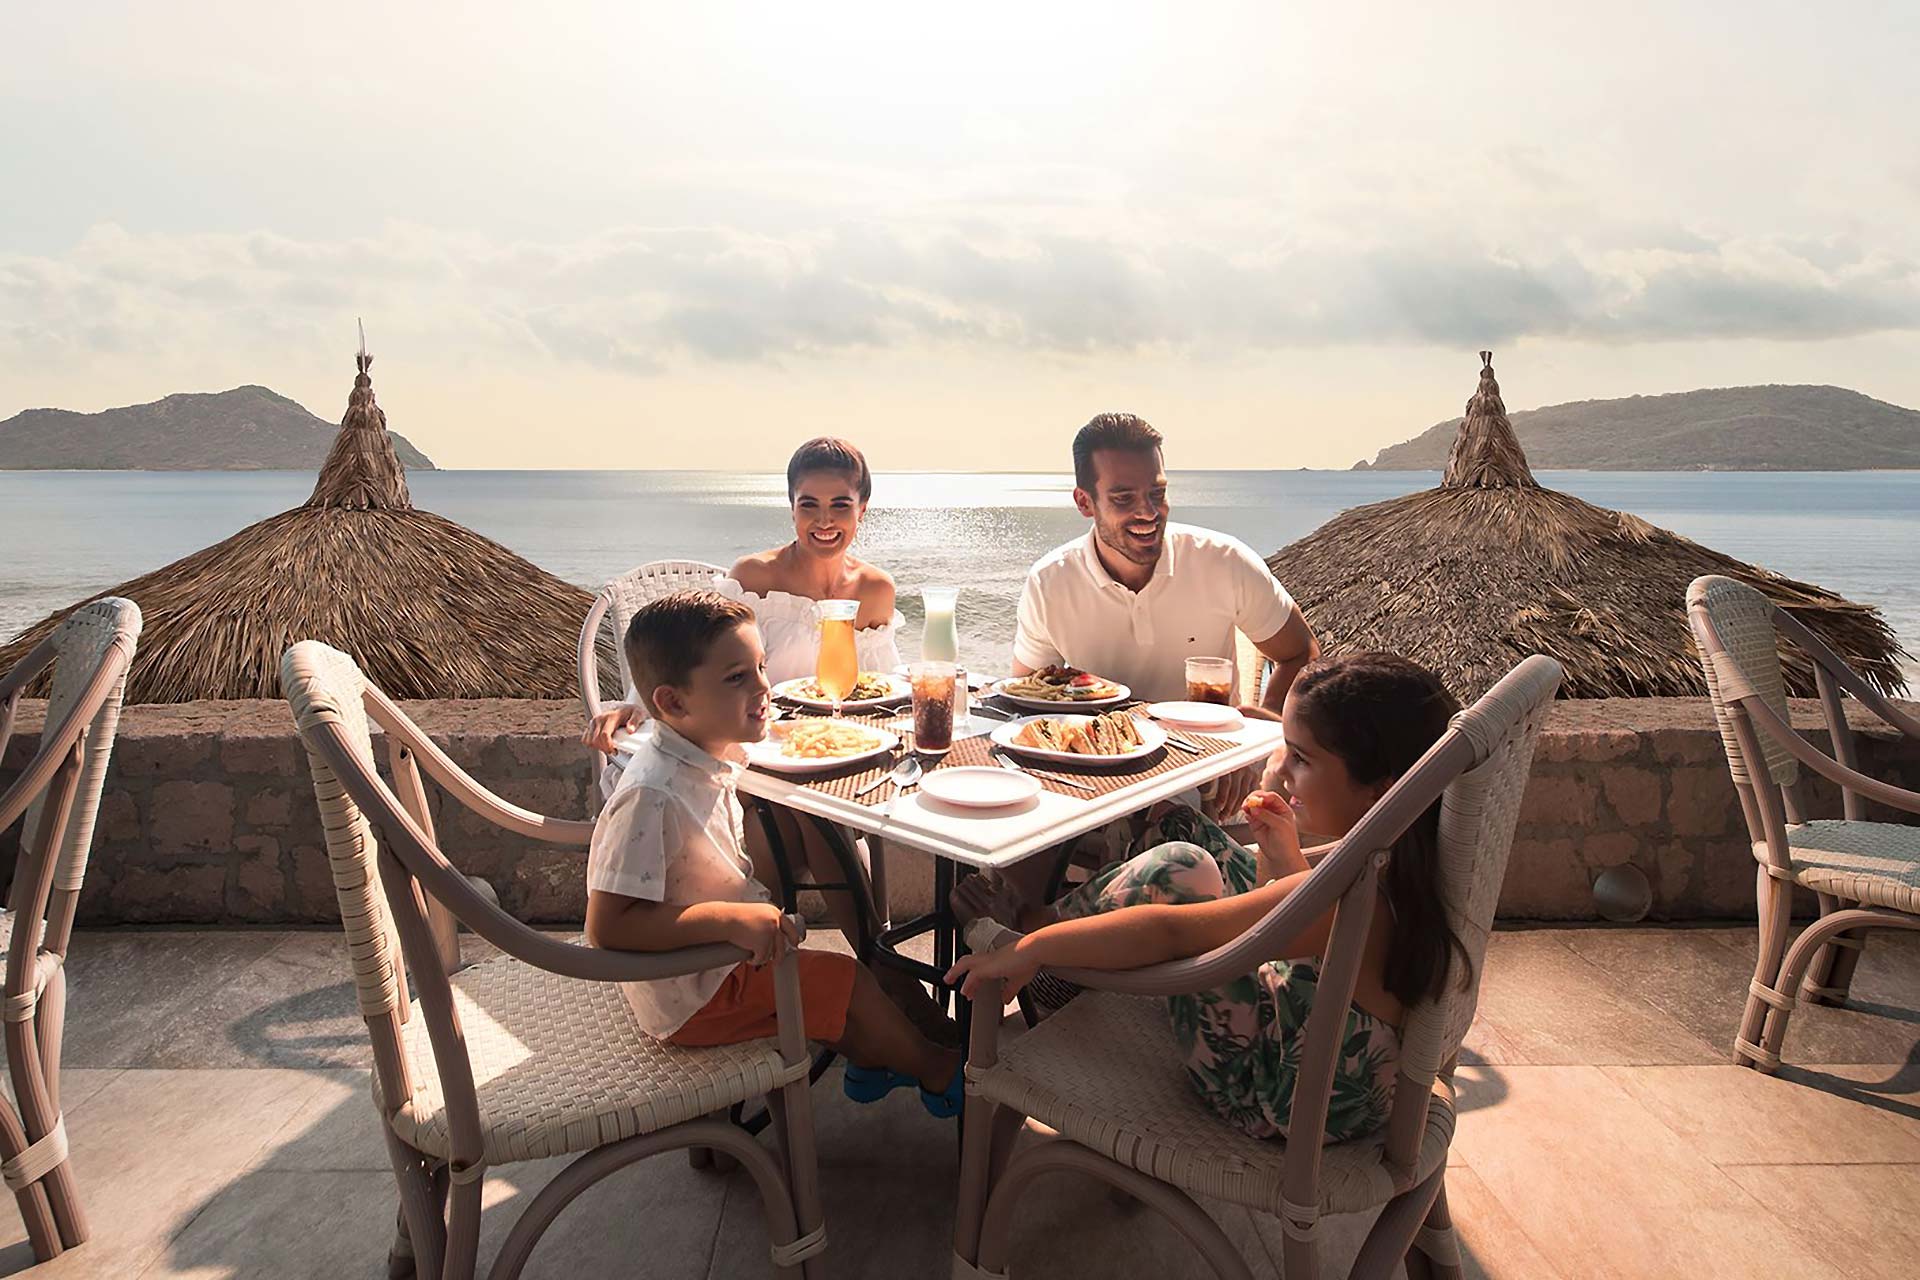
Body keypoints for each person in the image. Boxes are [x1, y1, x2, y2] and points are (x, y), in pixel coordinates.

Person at [948, 653, 1466, 1143]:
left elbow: (1173, 931)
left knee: (1177, 871)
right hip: (1314, 1039)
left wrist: (1031, 950)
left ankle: (1039, 944)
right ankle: (1058, 940)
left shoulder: (1346, 897)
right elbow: (1310, 940)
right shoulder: (1401, 864)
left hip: (1271, 1094)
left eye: (1302, 758)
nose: (1284, 769)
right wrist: (1284, 856)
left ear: (1380, 789)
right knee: (1182, 825)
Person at [588, 589, 961, 1116]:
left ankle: (873, 1059)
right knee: (848, 981)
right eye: (737, 677)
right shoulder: (652, 794)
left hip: (708, 969)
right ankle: (940, 1070)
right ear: (672, 703)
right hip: (695, 993)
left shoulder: (700, 752)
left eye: (761, 667)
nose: (764, 686)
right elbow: (608, 927)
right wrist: (729, 919)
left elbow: (750, 739)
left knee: (830, 984)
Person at [582, 438, 906, 1017]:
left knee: (809, 812)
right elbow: (698, 657)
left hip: (815, 753)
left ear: (862, 508)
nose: (824, 520)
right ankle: (866, 969)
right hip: (745, 751)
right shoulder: (754, 575)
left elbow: (882, 687)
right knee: (808, 817)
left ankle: (817, 974)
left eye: (840, 505)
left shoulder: (875, 589)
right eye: (809, 505)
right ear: (791, 506)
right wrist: (636, 705)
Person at [1011, 412, 1317, 821]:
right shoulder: (1050, 581)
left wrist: (1256, 744)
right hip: (1094, 784)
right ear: (1084, 502)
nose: (1149, 512)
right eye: (1124, 498)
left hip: (1209, 779)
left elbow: (1300, 652)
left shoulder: (1224, 561)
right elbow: (1025, 697)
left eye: (1157, 493)